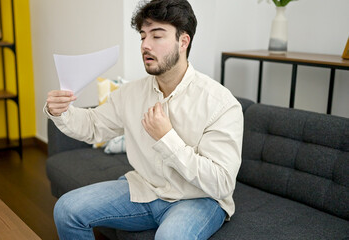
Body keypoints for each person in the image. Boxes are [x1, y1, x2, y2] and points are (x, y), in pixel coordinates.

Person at [45, 0, 243, 239]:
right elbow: (94, 126)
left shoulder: (220, 103)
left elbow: (221, 183)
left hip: (198, 198)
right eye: (142, 36)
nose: (145, 46)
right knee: (67, 210)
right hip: (145, 189)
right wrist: (62, 111)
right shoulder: (131, 94)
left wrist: (167, 138)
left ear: (183, 41)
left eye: (157, 36)